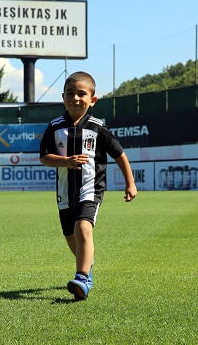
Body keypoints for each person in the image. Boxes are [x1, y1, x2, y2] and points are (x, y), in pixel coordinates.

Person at [39, 71, 137, 301]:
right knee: (70, 236)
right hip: (64, 192)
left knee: (83, 228)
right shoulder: (54, 127)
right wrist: (66, 162)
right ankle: (87, 262)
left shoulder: (97, 128)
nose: (75, 98)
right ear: (63, 97)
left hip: (90, 189)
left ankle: (83, 278)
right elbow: (44, 157)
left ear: (92, 100)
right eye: (70, 94)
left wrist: (130, 183)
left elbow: (119, 154)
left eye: (81, 94)